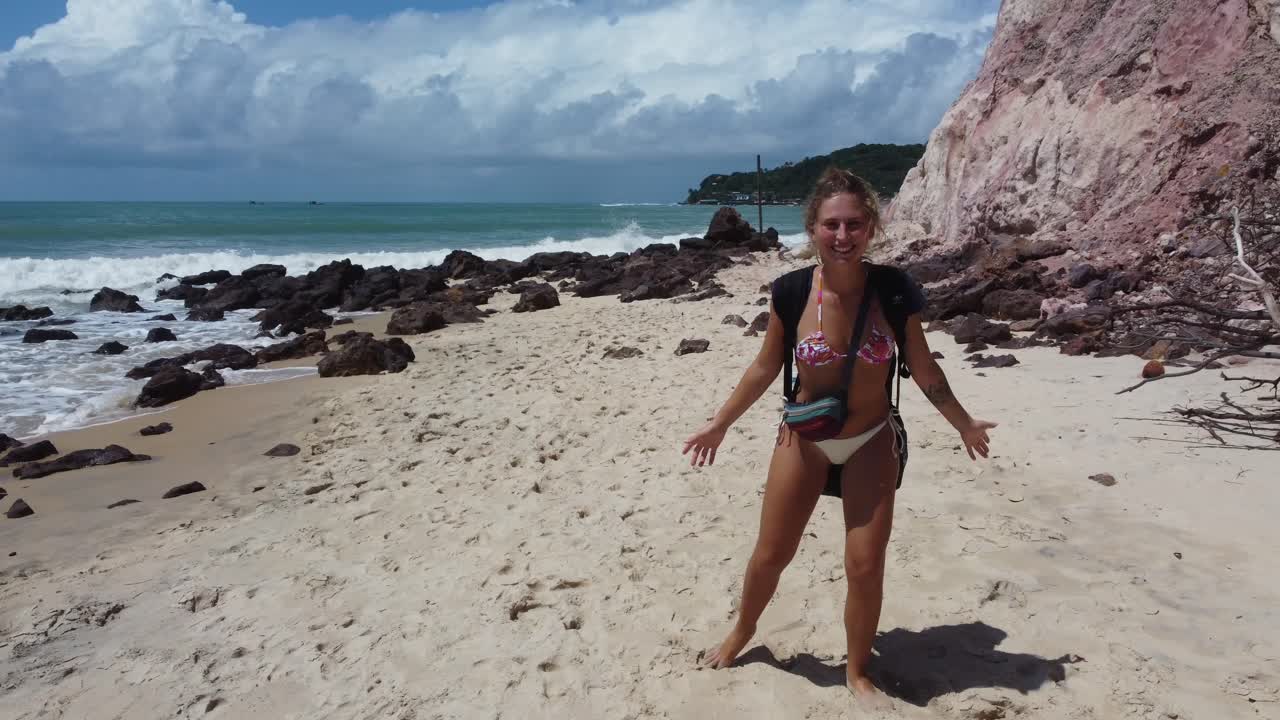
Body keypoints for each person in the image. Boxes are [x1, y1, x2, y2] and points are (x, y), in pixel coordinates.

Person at [682, 167, 996, 705]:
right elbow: (763, 368)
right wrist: (719, 423)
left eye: (854, 224)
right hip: (803, 439)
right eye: (832, 225)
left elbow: (924, 370)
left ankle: (856, 670)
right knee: (771, 554)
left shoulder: (894, 292)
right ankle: (743, 630)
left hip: (872, 438)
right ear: (813, 228)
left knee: (865, 563)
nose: (843, 236)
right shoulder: (791, 291)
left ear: (871, 227)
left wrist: (963, 423)